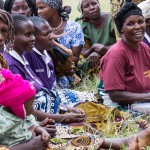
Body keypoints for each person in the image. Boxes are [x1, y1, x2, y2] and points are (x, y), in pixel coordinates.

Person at [3, 14, 86, 124]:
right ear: (11, 36)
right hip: (33, 117)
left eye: (33, 34)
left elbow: (43, 92)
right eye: (28, 35)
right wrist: (63, 117)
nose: (33, 38)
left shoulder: (22, 57)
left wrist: (67, 109)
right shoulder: (11, 65)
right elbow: (25, 109)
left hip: (49, 106)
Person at [99, 2, 150, 108]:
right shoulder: (116, 54)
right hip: (119, 101)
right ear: (121, 29)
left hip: (143, 95)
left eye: (140, 22)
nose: (138, 27)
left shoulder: (144, 47)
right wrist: (147, 96)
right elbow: (115, 95)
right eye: (130, 24)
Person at [0, 68, 50, 149]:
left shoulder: (25, 115)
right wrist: (30, 146)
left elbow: (32, 124)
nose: (33, 108)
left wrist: (42, 131)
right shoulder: (2, 122)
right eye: (31, 104)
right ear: (19, 107)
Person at [76, 0, 116, 74]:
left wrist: (101, 52)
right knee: (80, 62)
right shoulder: (83, 26)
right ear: (82, 12)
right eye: (86, 6)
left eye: (94, 3)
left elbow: (123, 42)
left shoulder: (112, 19)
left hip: (115, 52)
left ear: (99, 5)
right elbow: (83, 53)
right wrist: (93, 48)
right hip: (97, 56)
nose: (92, 7)